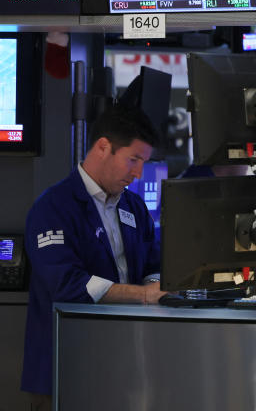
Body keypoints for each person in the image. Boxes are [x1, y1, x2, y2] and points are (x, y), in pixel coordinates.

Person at [21, 105, 166, 402]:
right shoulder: (53, 208)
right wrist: (143, 295)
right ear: (103, 147)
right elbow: (67, 284)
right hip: (66, 370)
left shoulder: (134, 207)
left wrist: (157, 285)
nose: (138, 173)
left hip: (125, 370)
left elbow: (154, 262)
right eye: (133, 159)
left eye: (143, 162)